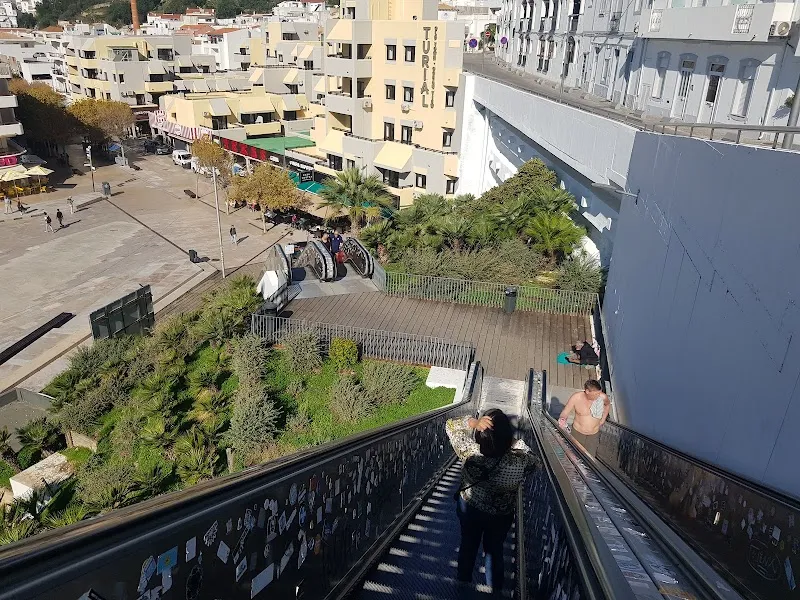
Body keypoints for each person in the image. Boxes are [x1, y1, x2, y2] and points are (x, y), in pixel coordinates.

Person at [446, 409, 538, 595]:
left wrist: (473, 422)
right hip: (500, 515)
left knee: (468, 544)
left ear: (481, 435)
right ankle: (495, 590)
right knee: (494, 550)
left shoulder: (469, 453)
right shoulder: (519, 462)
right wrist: (513, 442)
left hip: (470, 508)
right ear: (508, 436)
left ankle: (462, 584)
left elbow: (450, 425)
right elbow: (534, 462)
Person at [558, 379, 610, 457]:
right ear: (587, 391)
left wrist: (603, 419)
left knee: (590, 458)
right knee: (574, 456)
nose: (598, 395)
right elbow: (565, 412)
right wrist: (562, 419)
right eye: (596, 394)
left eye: (599, 393)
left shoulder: (602, 397)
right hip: (577, 433)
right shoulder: (576, 397)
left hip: (593, 435)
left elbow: (607, 405)